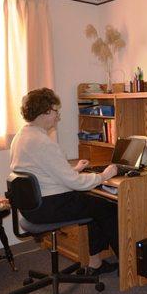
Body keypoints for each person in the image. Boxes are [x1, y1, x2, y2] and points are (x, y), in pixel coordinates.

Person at [10, 88, 118, 276]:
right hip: (49, 206)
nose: (58, 116)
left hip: (34, 206)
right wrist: (104, 176)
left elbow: (40, 172)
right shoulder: (42, 142)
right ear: (45, 112)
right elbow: (75, 183)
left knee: (92, 205)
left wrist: (73, 170)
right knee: (107, 207)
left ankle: (95, 264)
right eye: (55, 111)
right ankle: (129, 265)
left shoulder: (22, 136)